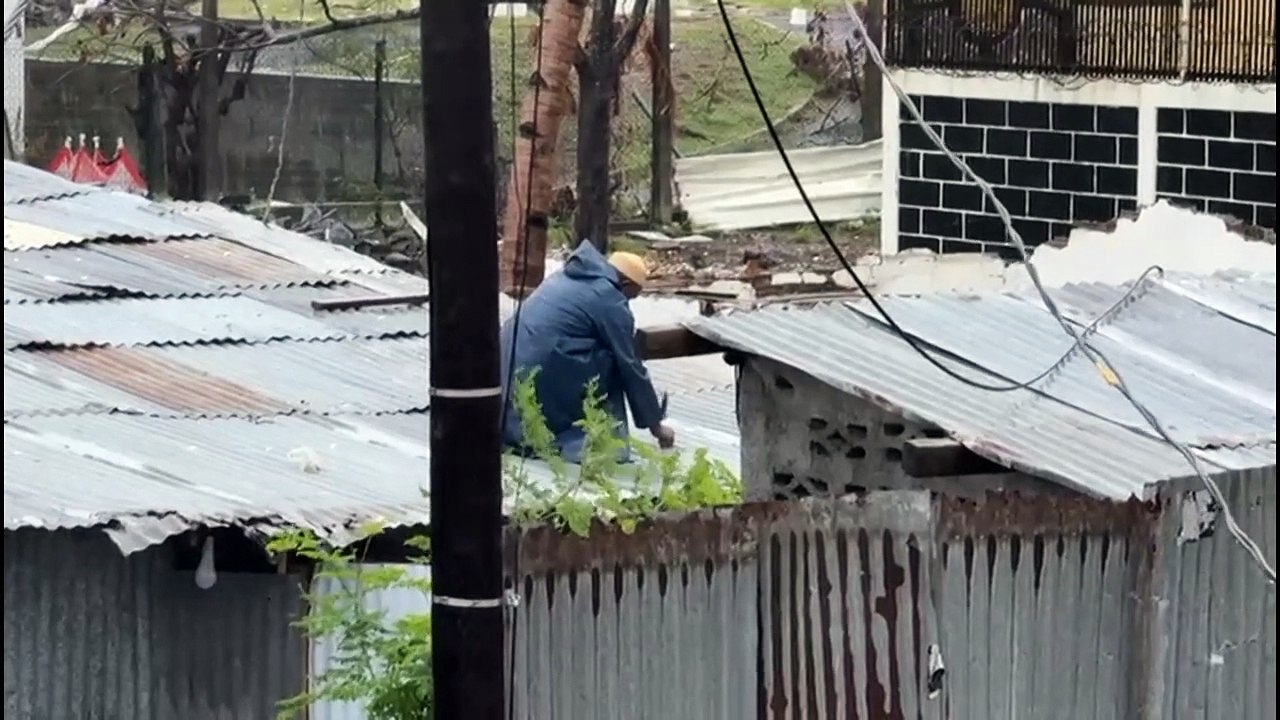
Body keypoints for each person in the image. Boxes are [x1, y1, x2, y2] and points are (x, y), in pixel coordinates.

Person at [500, 240, 677, 462]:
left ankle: (523, 432)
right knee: (611, 360)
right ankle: (596, 443)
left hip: (506, 377)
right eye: (633, 295)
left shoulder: (564, 276)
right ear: (626, 283)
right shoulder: (609, 299)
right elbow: (630, 365)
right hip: (542, 376)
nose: (629, 301)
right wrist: (655, 426)